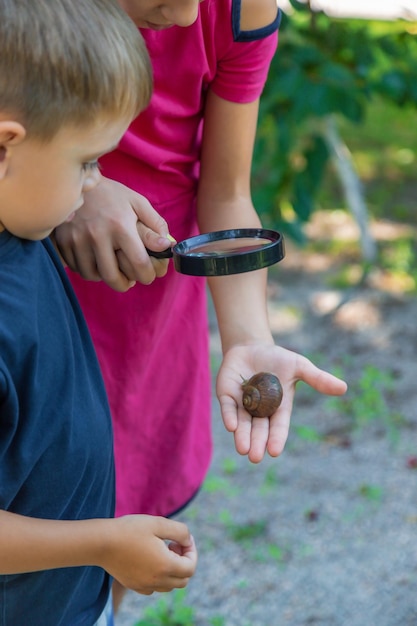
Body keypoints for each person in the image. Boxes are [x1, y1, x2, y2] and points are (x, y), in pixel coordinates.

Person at [55, 0, 347, 610]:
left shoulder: (241, 11)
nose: (188, 18)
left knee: (121, 530)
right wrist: (79, 182)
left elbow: (227, 190)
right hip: (36, 295)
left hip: (149, 316)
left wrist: (247, 336)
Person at [0, 1, 198, 625]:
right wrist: (101, 544)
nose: (96, 185)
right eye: (88, 161)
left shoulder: (24, 231)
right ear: (6, 146)